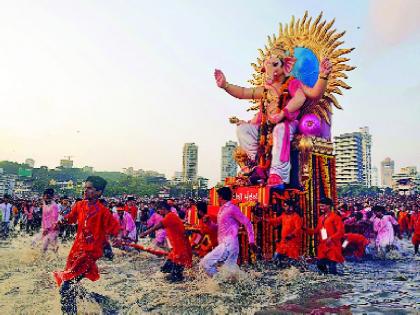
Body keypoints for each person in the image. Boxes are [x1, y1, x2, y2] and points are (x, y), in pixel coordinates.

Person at [53, 176, 120, 314]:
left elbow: (115, 229)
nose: (85, 190)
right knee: (71, 284)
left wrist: (118, 238)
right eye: (85, 187)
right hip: (75, 252)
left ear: (99, 192)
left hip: (89, 254)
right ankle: (100, 300)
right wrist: (61, 222)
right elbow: (71, 218)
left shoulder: (103, 212)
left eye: (89, 188)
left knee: (66, 286)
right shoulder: (79, 205)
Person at [200, 187, 256, 277]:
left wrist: (251, 241)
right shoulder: (222, 210)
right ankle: (247, 280)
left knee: (205, 263)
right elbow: (218, 228)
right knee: (229, 274)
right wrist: (209, 223)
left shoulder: (232, 208)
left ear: (221, 197)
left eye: (218, 197)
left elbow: (247, 223)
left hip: (229, 244)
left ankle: (218, 283)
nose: (217, 199)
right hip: (226, 244)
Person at [139, 201, 192, 283]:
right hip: (175, 252)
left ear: (163, 209)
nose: (158, 212)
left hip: (181, 252)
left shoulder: (170, 216)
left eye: (159, 210)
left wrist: (145, 233)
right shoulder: (170, 215)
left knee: (176, 279)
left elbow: (158, 226)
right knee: (164, 271)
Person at [307, 197, 344, 275]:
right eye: (320, 206)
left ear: (329, 206)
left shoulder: (336, 217)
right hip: (323, 245)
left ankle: (334, 281)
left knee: (332, 266)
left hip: (333, 245)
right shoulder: (321, 218)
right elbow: (317, 230)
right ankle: (326, 279)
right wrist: (305, 229)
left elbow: (341, 232)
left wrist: (331, 238)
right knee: (319, 264)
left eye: (323, 206)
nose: (321, 208)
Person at [267, 199, 302, 264]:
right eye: (284, 206)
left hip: (293, 243)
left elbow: (298, 229)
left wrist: (291, 235)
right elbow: (276, 220)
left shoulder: (296, 217)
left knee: (292, 263)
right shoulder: (284, 215)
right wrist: (265, 220)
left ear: (291, 207)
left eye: (286, 206)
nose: (284, 208)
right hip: (283, 242)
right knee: (276, 259)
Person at [40, 188, 60, 253]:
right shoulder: (44, 204)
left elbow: (54, 219)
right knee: (45, 247)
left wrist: (47, 229)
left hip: (52, 229)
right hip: (45, 228)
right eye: (44, 195)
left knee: (49, 247)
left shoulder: (54, 206)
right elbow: (44, 217)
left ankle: (55, 259)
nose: (45, 197)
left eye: (47, 196)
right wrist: (43, 228)